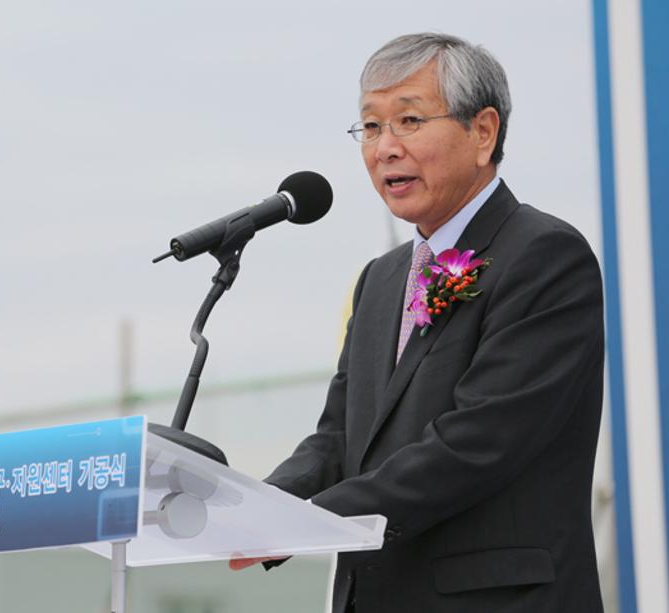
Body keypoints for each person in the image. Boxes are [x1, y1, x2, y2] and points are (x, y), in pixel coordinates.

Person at [231, 33, 605, 612]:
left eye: (408, 120)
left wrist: (309, 522)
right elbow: (337, 438)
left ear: (483, 133)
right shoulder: (379, 280)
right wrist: (259, 508)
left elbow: (479, 441)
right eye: (371, 127)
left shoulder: (545, 255)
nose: (385, 148)